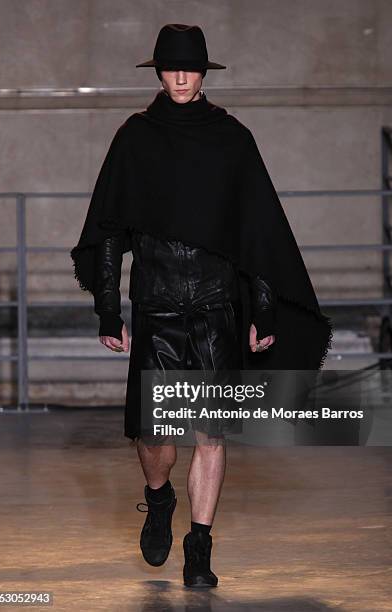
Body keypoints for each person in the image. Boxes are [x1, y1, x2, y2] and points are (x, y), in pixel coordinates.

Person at [70, 23, 333, 589]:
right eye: (172, 68)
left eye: (191, 68)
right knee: (156, 437)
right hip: (157, 304)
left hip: (217, 305)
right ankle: (159, 498)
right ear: (159, 72)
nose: (182, 77)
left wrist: (263, 310)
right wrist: (108, 309)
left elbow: (255, 232)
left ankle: (200, 547)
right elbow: (111, 230)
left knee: (210, 432)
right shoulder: (136, 138)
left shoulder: (231, 139)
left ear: (204, 72)